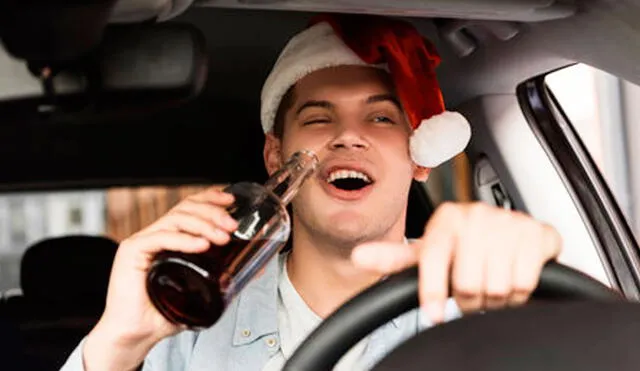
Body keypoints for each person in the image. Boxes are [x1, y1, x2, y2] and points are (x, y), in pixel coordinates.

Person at [61, 14, 561, 371]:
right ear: (276, 156)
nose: (347, 136)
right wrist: (115, 345)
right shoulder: (189, 329)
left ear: (418, 156)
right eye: (319, 118)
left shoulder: (481, 301)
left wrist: (538, 290)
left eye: (381, 117)